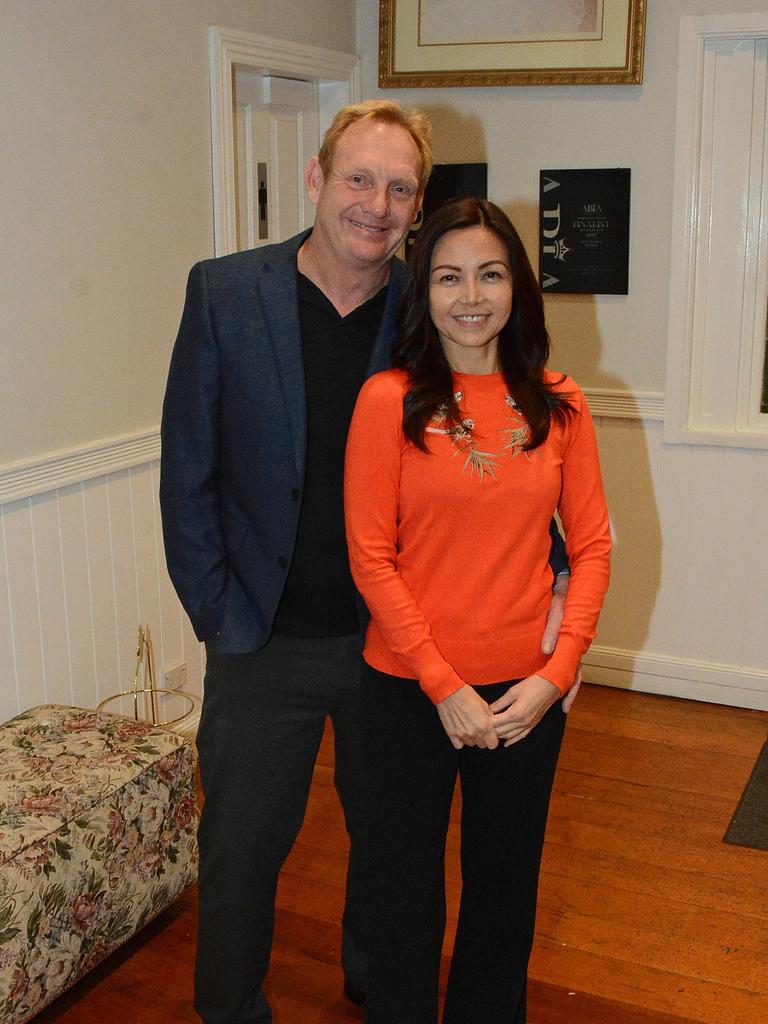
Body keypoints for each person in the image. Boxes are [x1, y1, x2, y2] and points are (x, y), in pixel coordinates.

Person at [160, 102, 570, 1024]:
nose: (375, 205)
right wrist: (218, 614)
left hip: (395, 645)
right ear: (316, 178)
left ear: (417, 205)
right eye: (358, 178)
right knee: (243, 843)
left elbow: (509, 453)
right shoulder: (225, 293)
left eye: (398, 188)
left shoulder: (427, 309)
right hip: (264, 637)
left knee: (390, 841)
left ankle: (372, 979)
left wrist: (557, 600)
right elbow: (187, 468)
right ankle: (228, 1006)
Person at [344, 198, 611, 1023]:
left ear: (516, 287)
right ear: (421, 290)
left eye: (490, 274)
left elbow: (594, 547)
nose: (471, 295)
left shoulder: (559, 401)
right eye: (449, 276)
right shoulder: (387, 401)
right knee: (402, 893)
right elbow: (370, 557)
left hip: (523, 694)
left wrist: (557, 671)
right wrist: (442, 684)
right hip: (406, 692)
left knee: (503, 895)